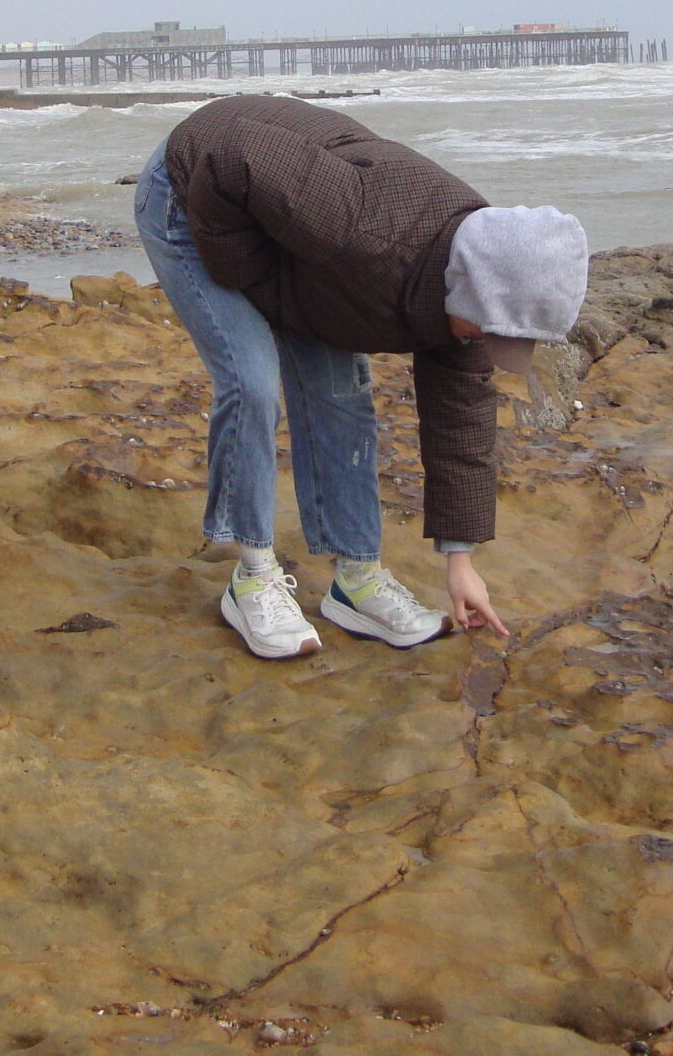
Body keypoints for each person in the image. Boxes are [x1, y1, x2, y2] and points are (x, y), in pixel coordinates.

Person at [134, 96, 590, 660]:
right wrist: (257, 281)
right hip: (194, 192)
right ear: (465, 284)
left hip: (289, 231)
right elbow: (231, 159)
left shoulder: (480, 279)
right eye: (490, 328)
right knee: (251, 379)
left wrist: (461, 560)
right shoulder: (364, 227)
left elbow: (462, 427)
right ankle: (251, 575)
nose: (486, 341)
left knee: (343, 397)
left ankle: (357, 579)